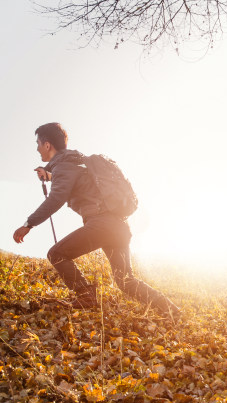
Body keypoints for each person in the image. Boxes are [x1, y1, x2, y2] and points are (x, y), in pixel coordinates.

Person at [12, 123, 179, 317]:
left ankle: (86, 295)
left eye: (38, 143)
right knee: (125, 281)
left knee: (56, 254)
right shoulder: (76, 161)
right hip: (118, 225)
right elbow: (71, 177)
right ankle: (173, 312)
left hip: (101, 224)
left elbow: (56, 198)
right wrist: (49, 175)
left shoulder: (64, 166)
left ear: (47, 145)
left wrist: (28, 224)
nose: (37, 148)